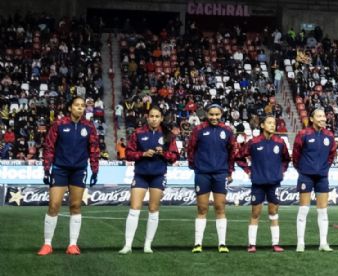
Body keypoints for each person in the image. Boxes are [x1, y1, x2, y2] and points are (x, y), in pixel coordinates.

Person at [38, 96, 100, 256]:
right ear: (70, 107)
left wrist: (95, 170)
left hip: (79, 170)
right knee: (54, 205)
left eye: (82, 106)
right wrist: (47, 168)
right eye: (77, 105)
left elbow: (94, 148)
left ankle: (73, 244)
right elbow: (49, 146)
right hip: (59, 169)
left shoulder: (89, 126)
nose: (80, 108)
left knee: (75, 206)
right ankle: (47, 244)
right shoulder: (59, 124)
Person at [119, 106, 179, 254]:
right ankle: (128, 245)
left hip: (158, 176)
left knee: (153, 209)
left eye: (157, 116)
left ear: (161, 118)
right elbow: (129, 154)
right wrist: (143, 154)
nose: (154, 119)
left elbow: (174, 157)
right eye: (151, 116)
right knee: (134, 209)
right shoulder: (138, 133)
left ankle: (147, 245)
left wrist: (163, 153)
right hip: (140, 175)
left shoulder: (168, 135)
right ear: (147, 117)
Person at [186, 103, 237, 253]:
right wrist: (195, 166)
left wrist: (229, 171)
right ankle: (197, 244)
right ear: (206, 114)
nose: (214, 117)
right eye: (211, 114)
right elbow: (191, 148)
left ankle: (222, 243)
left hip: (221, 174)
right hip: (202, 174)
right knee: (202, 209)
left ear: (221, 114)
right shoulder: (198, 129)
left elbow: (232, 152)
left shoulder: (227, 131)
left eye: (217, 114)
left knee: (220, 208)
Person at [237, 116, 290, 253]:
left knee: (273, 212)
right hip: (258, 183)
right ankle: (252, 244)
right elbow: (239, 157)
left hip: (274, 183)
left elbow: (286, 160)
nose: (273, 125)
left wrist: (281, 171)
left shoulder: (280, 142)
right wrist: (249, 170)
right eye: (269, 123)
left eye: (274, 123)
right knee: (255, 213)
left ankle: (275, 243)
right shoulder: (253, 142)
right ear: (262, 125)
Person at [292, 109, 337, 252]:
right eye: (319, 116)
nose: (323, 118)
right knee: (304, 209)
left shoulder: (329, 136)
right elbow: (296, 156)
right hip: (306, 176)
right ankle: (300, 243)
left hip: (322, 177)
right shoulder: (303, 134)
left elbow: (331, 155)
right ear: (312, 119)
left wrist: (324, 168)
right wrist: (303, 169)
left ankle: (323, 243)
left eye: (324, 116)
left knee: (323, 211)